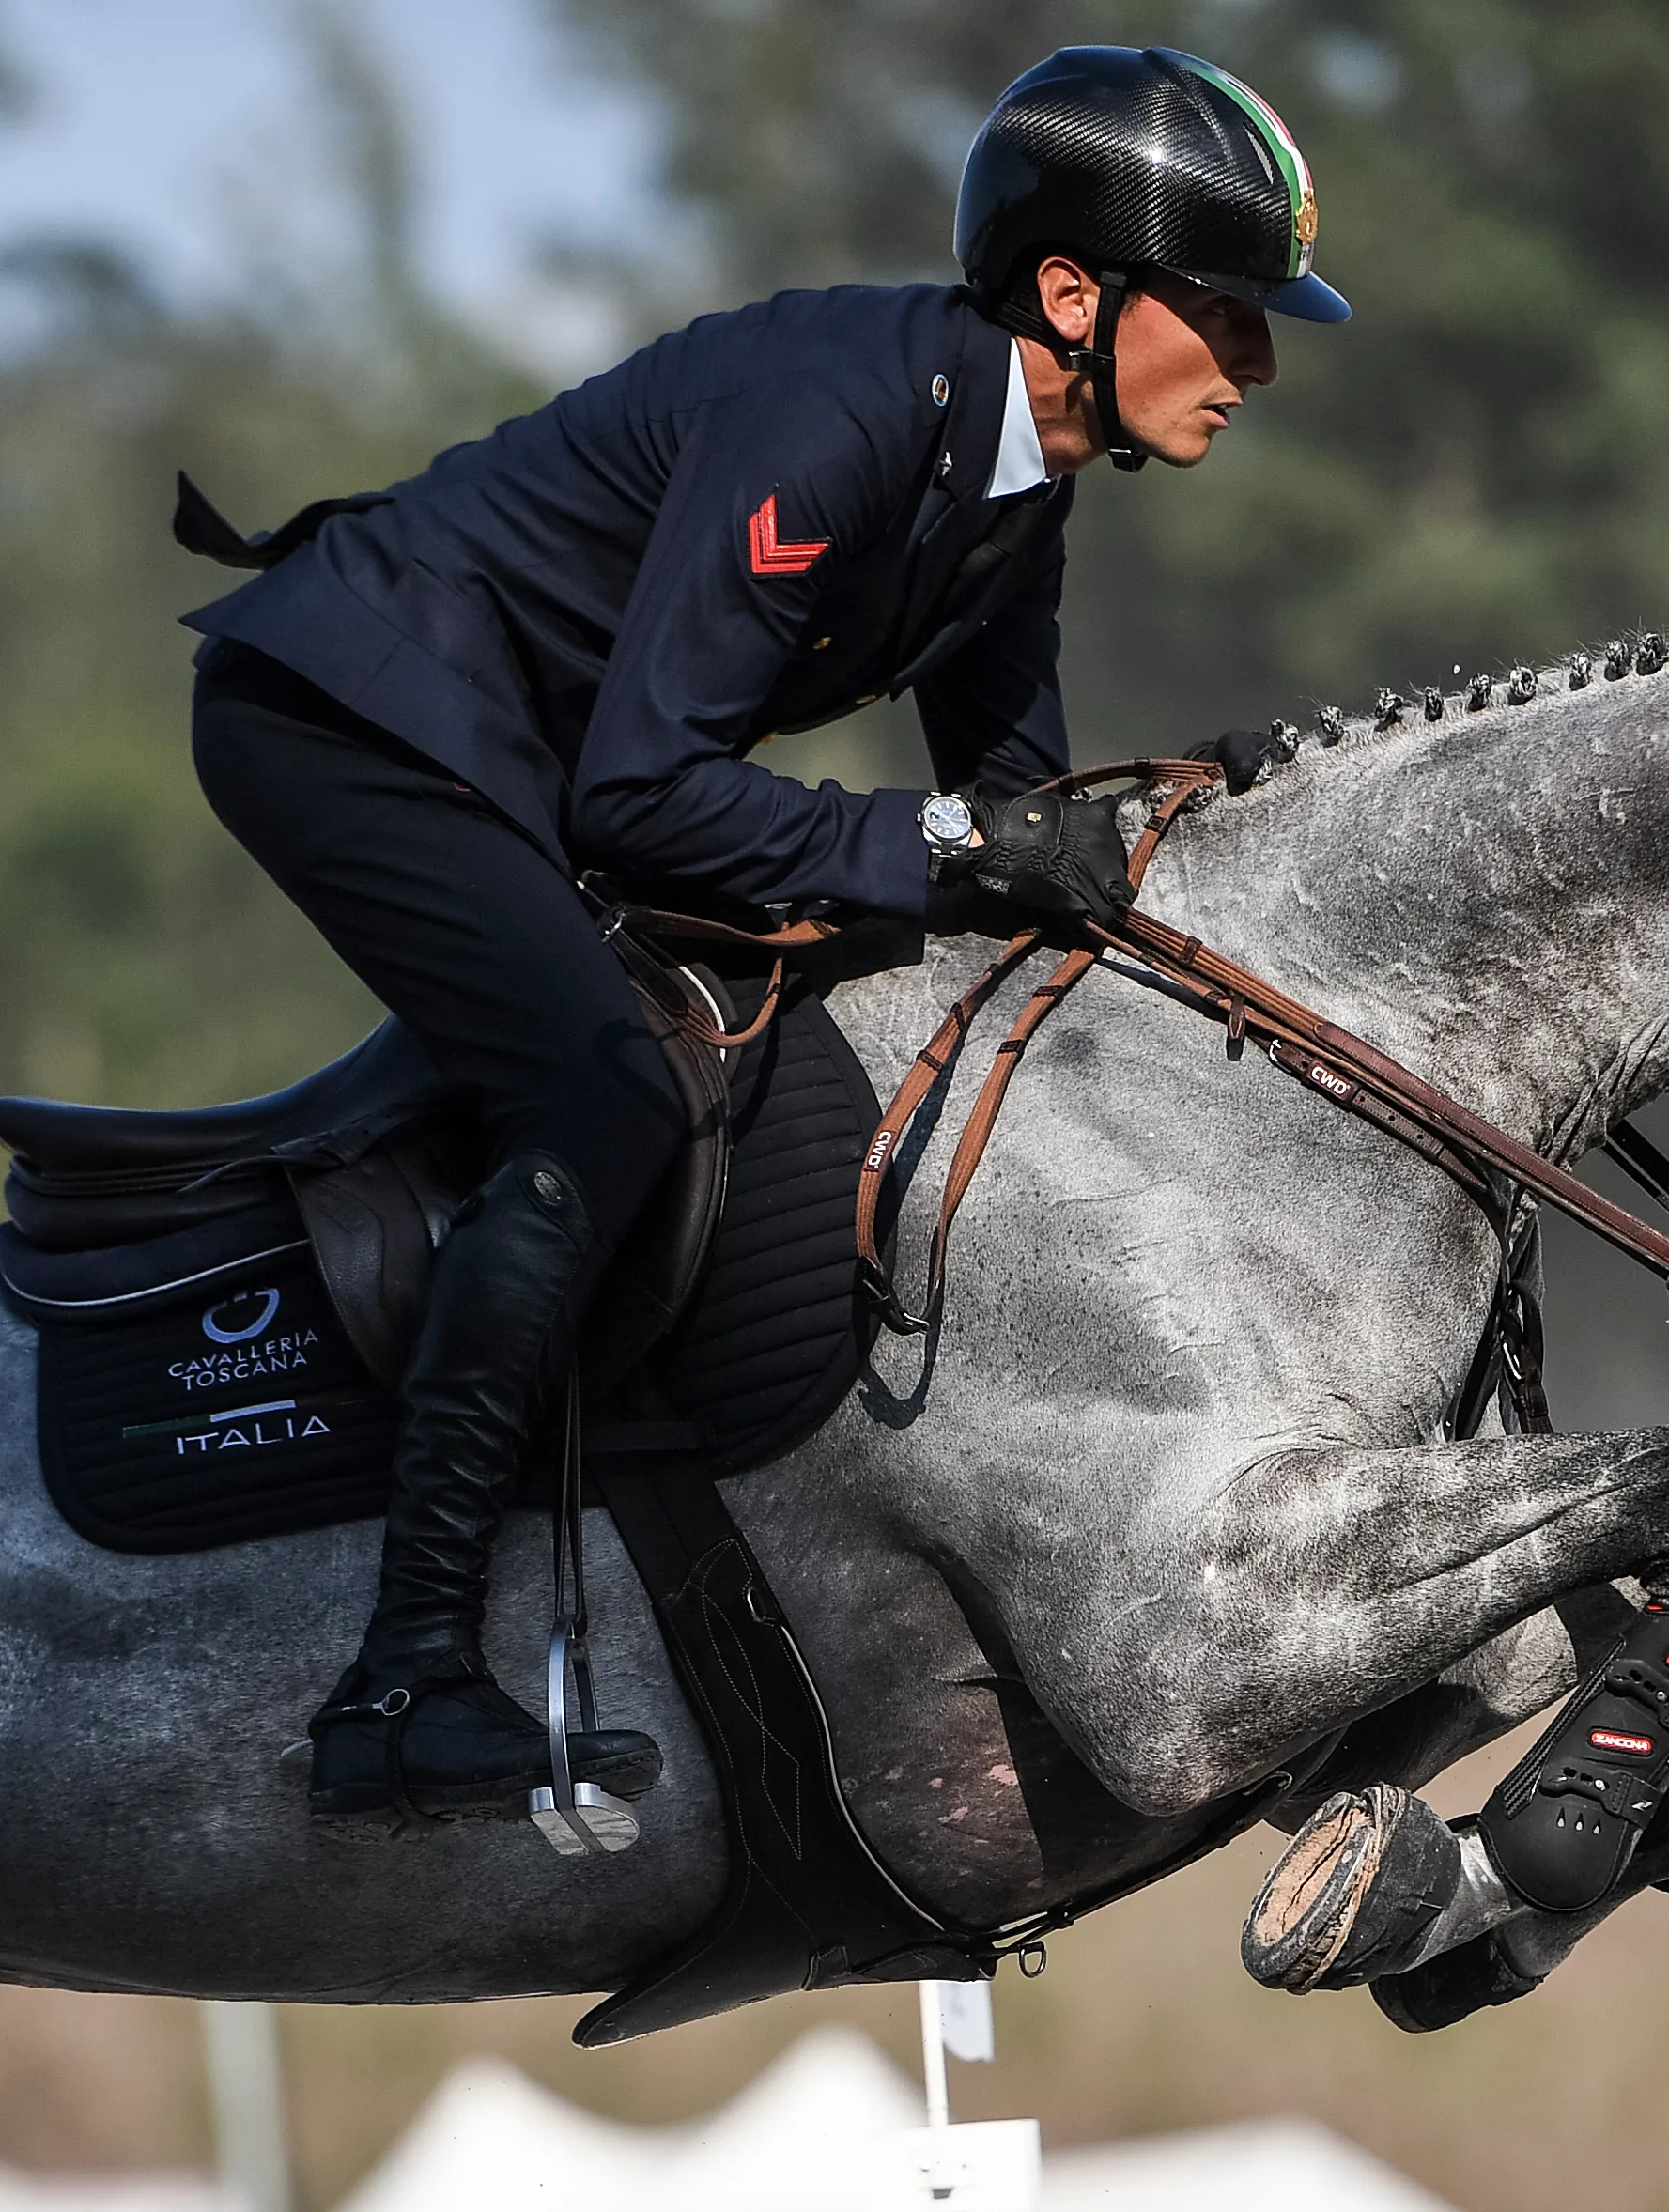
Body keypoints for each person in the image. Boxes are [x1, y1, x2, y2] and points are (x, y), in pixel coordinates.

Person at [174, 46, 1347, 1833]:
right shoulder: (843, 414)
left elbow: (1015, 824)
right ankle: (400, 1674)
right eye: (1228, 311)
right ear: (1070, 295)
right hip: (346, 719)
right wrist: (953, 844)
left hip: (509, 755)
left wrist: (1205, 838)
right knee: (600, 1096)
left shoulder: (1022, 484)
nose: (1255, 362)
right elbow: (648, 793)